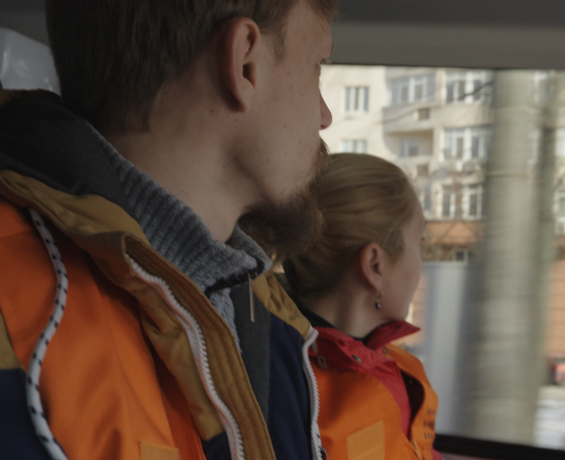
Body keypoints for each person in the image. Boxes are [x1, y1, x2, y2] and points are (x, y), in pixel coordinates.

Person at [0, 0, 337, 459]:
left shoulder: (269, 318)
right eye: (318, 66)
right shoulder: (17, 299)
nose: (324, 115)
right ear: (244, 64)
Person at [283, 153, 442, 460]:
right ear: (375, 265)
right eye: (419, 243)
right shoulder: (296, 391)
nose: (421, 264)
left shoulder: (403, 369)